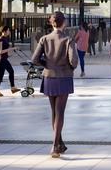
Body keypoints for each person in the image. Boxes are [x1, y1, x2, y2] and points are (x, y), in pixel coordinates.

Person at [31, 11, 78, 158]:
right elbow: (74, 61)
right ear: (63, 23)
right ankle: (54, 146)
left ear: (52, 23)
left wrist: (48, 65)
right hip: (63, 77)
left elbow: (34, 59)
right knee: (60, 112)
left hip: (49, 77)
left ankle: (59, 144)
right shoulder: (68, 39)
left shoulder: (44, 39)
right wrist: (68, 68)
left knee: (54, 112)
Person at [0, 25, 20, 97]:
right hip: (1, 59)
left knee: (1, 75)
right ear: (4, 31)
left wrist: (9, 54)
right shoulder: (0, 39)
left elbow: (5, 50)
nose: (9, 31)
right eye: (8, 30)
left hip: (4, 58)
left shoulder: (5, 38)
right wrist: (12, 49)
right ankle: (12, 88)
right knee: (8, 72)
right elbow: (0, 51)